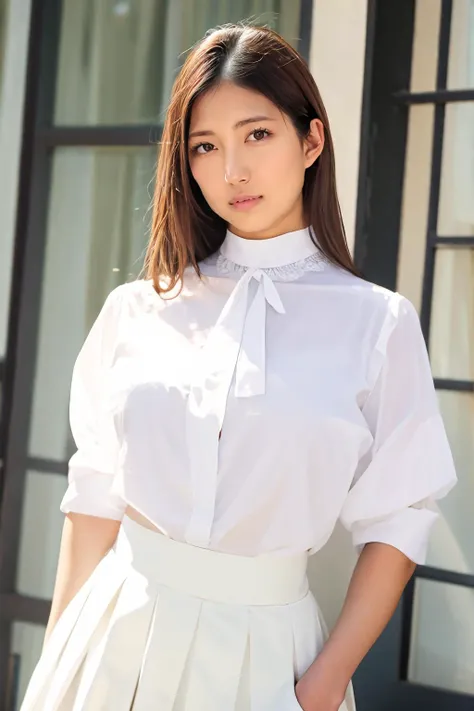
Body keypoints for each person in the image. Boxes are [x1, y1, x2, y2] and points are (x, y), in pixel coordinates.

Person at [20, 23, 457, 711]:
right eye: (205, 146)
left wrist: (323, 684)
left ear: (311, 140)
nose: (233, 171)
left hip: (266, 657)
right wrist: (57, 662)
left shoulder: (377, 323)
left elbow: (397, 521)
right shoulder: (139, 309)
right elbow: (94, 498)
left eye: (257, 134)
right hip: (110, 644)